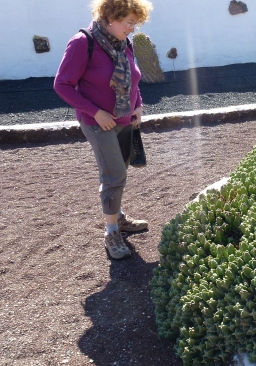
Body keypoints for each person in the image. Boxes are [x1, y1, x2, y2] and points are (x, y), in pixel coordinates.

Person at [54, 0, 154, 260]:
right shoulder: (82, 43)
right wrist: (95, 112)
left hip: (124, 120)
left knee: (118, 172)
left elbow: (133, 78)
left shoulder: (124, 43)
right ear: (110, 17)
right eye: (129, 22)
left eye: (135, 23)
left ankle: (118, 218)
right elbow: (62, 85)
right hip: (98, 123)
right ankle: (111, 233)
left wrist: (138, 105)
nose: (132, 29)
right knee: (114, 176)